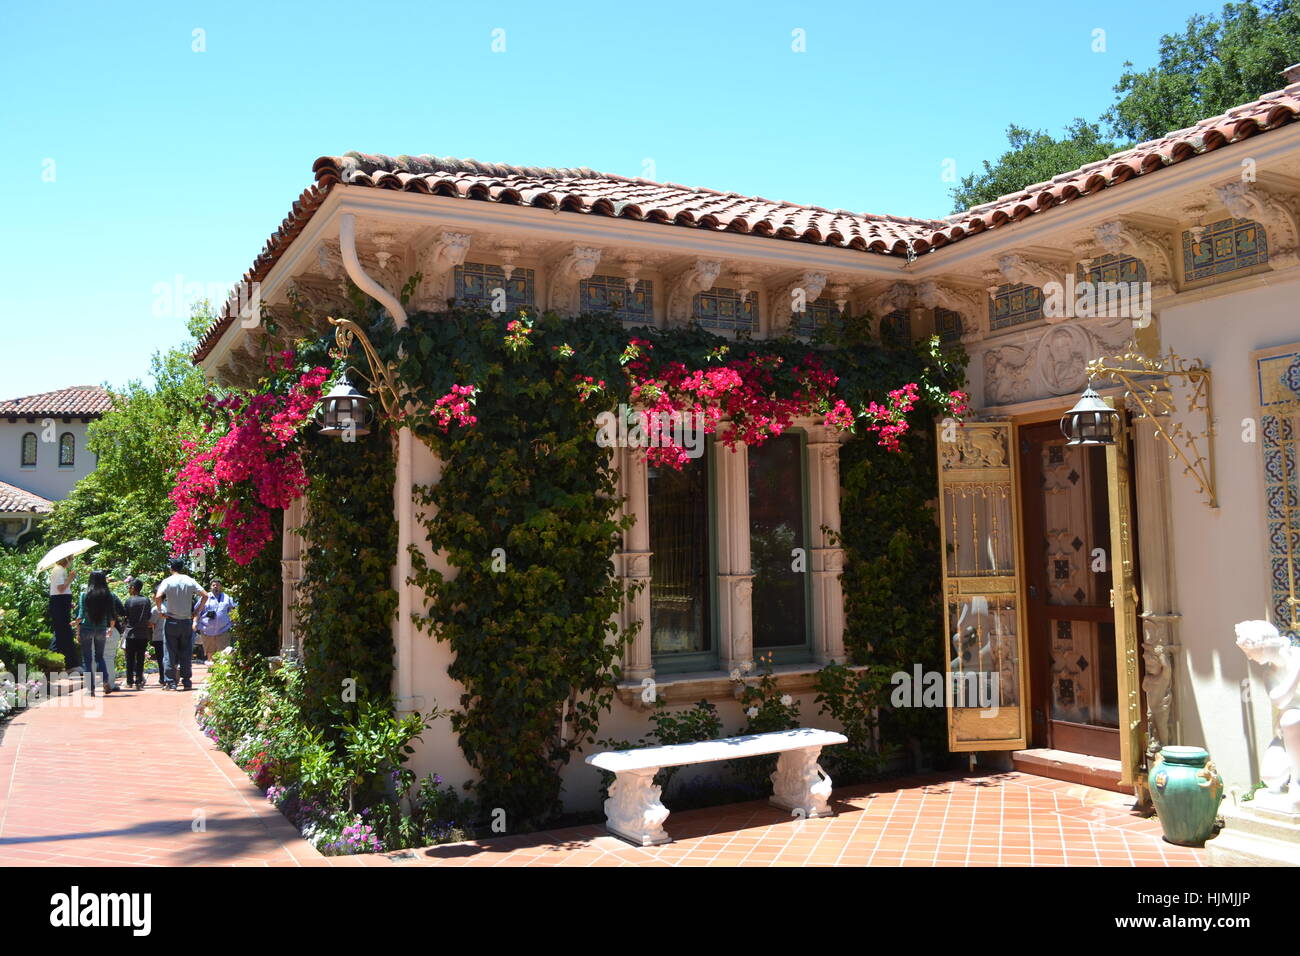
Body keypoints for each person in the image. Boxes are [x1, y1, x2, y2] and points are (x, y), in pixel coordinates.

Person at [154, 558, 209, 691]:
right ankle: (186, 681)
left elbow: (157, 596)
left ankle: (171, 682)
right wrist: (196, 610)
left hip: (171, 620)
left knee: (169, 652)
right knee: (186, 652)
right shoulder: (189, 580)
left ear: (171, 568)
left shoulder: (167, 581)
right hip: (186, 621)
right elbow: (205, 595)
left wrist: (161, 610)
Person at [75, 570, 124, 696]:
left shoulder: (84, 595)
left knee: (87, 658)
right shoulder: (108, 595)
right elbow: (112, 615)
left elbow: (80, 616)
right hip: (101, 629)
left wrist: (78, 632)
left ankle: (90, 689)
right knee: (100, 657)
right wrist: (111, 629)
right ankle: (105, 680)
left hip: (86, 628)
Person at [47, 556, 79, 673]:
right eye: (71, 559)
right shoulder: (59, 570)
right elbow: (60, 588)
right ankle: (69, 664)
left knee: (62, 632)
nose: (72, 562)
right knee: (64, 632)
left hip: (61, 602)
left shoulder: (60, 570)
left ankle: (55, 660)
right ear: (66, 559)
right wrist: (70, 578)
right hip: (59, 602)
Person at [121, 579, 154, 690]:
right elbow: (148, 615)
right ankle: (139, 681)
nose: (129, 590)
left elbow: (125, 615)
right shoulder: (146, 600)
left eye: (129, 587)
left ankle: (129, 681)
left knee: (129, 658)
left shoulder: (129, 601)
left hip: (131, 633)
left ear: (133, 588)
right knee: (140, 658)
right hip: (143, 633)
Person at [196, 578, 237, 659]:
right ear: (211, 587)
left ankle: (221, 669)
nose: (215, 587)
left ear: (221, 587)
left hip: (223, 629)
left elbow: (233, 610)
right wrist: (195, 623)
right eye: (213, 585)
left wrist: (233, 622)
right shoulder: (205, 597)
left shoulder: (227, 597)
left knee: (224, 652)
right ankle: (211, 667)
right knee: (210, 652)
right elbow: (197, 610)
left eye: (217, 585)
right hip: (207, 630)